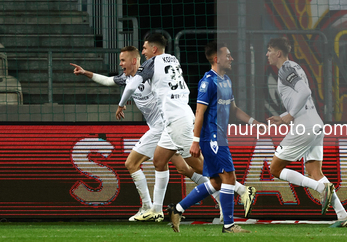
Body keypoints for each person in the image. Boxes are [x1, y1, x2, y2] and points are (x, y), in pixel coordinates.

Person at [116, 34, 254, 222]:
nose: (144, 52)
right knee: (159, 160)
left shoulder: (151, 63)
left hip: (176, 121)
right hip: (175, 118)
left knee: (200, 166)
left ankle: (241, 190)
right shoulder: (173, 59)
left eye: (145, 48)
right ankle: (156, 210)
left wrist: (121, 104)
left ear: (154, 49)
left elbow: (131, 85)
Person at [71, 46, 211, 222]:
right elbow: (107, 81)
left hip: (162, 126)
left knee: (132, 163)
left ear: (134, 61)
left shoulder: (150, 75)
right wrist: (85, 73)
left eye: (123, 60)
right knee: (183, 168)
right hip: (165, 127)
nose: (120, 63)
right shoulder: (126, 77)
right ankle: (223, 197)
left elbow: (147, 86)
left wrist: (121, 104)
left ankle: (148, 207)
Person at [168, 42, 259, 233]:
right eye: (228, 55)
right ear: (217, 58)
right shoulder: (207, 82)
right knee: (229, 178)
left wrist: (252, 122)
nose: (232, 58)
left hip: (220, 137)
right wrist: (195, 140)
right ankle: (229, 225)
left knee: (217, 182)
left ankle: (177, 209)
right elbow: (199, 113)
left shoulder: (226, 80)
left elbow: (233, 109)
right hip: (212, 138)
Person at [265, 37, 347, 228]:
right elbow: (300, 95)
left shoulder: (285, 69)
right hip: (315, 123)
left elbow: (304, 92)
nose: (267, 54)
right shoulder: (295, 67)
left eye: (269, 50)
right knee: (314, 171)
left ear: (278, 53)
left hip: (303, 125)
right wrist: (284, 116)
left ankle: (321, 188)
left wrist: (289, 115)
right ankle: (342, 215)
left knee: (275, 169)